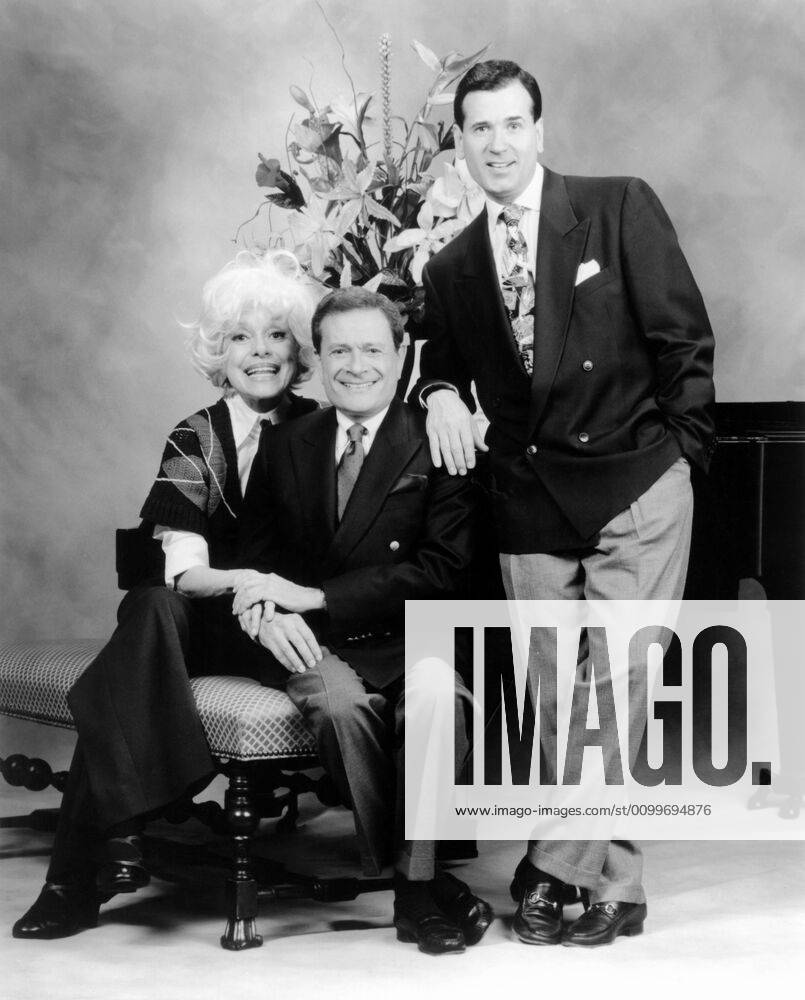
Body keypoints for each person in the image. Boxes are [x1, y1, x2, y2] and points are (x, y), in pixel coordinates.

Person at [411, 59, 716, 946]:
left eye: (513, 124)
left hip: (634, 481)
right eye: (479, 128)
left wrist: (681, 460)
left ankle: (547, 867)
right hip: (529, 501)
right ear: (459, 142)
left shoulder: (617, 203)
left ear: (539, 131)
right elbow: (435, 360)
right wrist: (434, 394)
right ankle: (619, 887)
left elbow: (682, 337)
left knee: (615, 689)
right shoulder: (452, 263)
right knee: (554, 700)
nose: (497, 143)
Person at [13, 248, 321, 939]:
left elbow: (331, 560)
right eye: (241, 337)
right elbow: (184, 570)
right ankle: (99, 853)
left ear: (298, 350)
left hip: (280, 630)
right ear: (219, 352)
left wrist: (273, 602)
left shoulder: (322, 432)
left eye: (276, 335)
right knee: (152, 606)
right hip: (200, 616)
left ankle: (86, 867)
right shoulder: (195, 436)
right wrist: (249, 586)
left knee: (123, 668)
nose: (261, 352)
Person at [231, 286, 492, 955]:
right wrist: (262, 613)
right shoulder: (285, 442)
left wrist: (317, 596)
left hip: (411, 632)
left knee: (438, 699)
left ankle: (413, 884)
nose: (355, 364)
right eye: (338, 349)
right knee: (343, 711)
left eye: (372, 348)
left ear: (402, 356)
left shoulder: (436, 436)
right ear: (315, 359)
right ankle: (421, 887)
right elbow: (253, 561)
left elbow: (442, 570)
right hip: (315, 645)